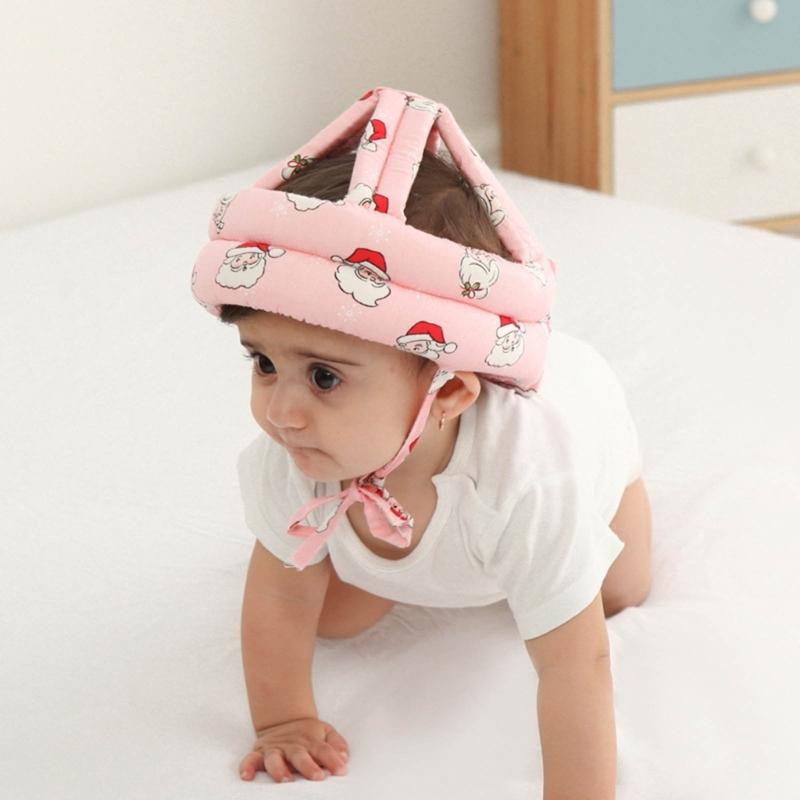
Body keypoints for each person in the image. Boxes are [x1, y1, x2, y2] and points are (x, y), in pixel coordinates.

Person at [190, 86, 652, 794]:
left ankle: (562, 535)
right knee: (329, 618)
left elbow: (574, 665)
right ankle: (419, 566)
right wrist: (283, 720)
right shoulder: (299, 456)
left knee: (615, 593)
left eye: (323, 377)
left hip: (582, 435)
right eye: (264, 363)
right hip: (418, 501)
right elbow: (279, 601)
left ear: (452, 393)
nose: (281, 412)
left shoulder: (527, 482)